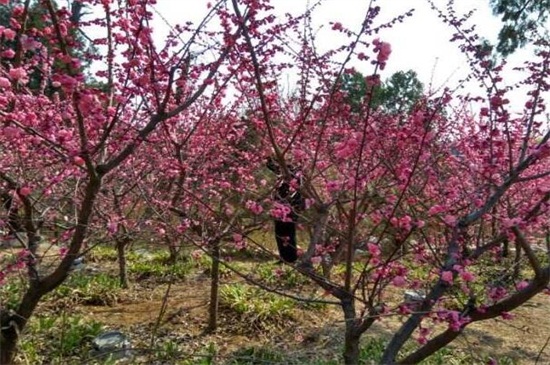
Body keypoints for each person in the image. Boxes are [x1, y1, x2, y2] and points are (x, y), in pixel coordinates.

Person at [266, 157, 304, 263]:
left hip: (290, 206)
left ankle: (290, 258)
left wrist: (268, 156)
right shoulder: (293, 171)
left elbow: (271, 165)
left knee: (287, 232)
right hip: (283, 205)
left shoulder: (294, 171)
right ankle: (285, 257)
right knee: (281, 232)